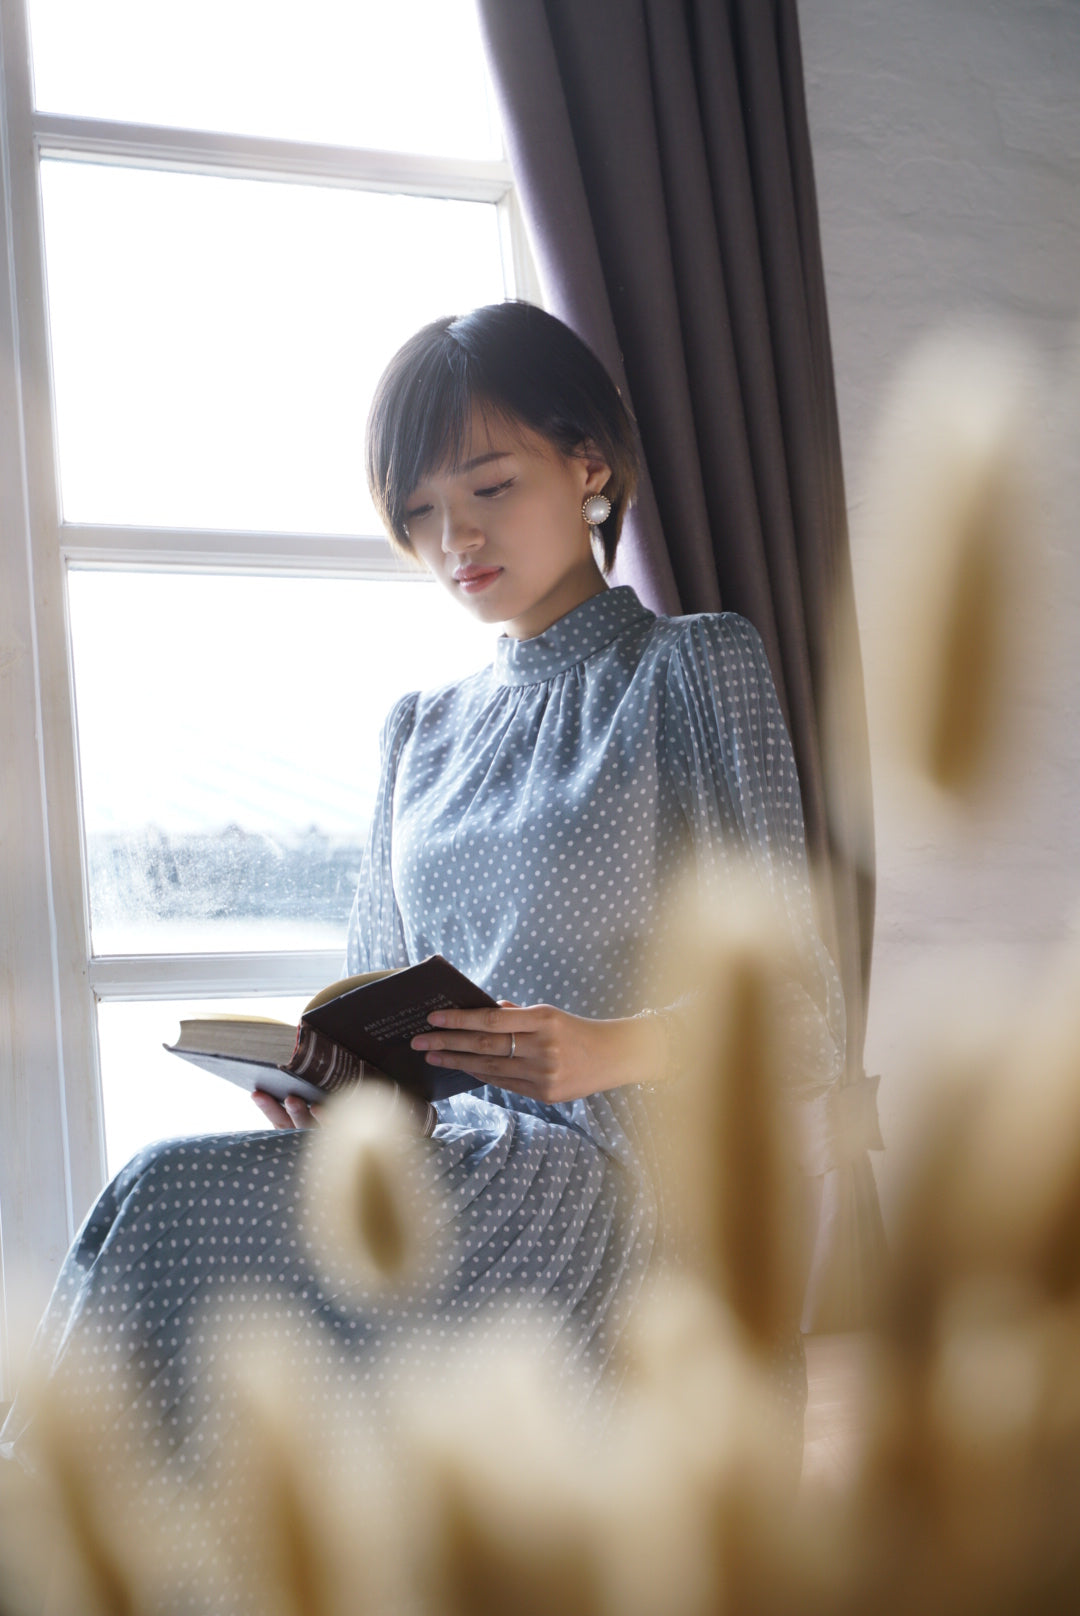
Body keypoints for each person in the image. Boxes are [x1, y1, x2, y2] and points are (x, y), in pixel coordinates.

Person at [2, 301, 843, 1477]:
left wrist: (612, 1048)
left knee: (167, 1200)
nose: (457, 538)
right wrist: (330, 1085)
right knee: (182, 1239)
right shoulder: (422, 733)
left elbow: (803, 1014)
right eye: (420, 511)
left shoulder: (692, 669)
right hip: (451, 1155)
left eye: (490, 487)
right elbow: (377, 992)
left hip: (617, 1182)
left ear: (588, 461)